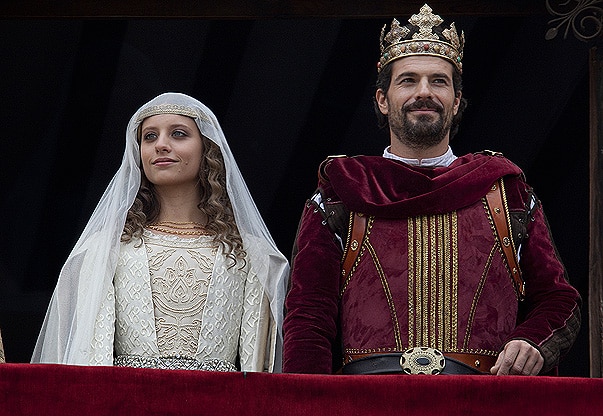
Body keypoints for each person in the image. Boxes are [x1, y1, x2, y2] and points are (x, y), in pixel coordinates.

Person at [282, 4, 581, 376]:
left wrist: (532, 340)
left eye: (439, 81)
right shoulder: (339, 194)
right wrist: (309, 403)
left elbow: (558, 299)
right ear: (382, 99)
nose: (424, 92)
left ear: (456, 102)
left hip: (482, 402)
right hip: (369, 402)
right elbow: (308, 317)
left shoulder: (508, 193)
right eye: (408, 80)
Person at [32, 92, 289, 372]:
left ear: (208, 149)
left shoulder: (249, 253)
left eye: (178, 134)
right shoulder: (106, 249)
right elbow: (89, 359)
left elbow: (258, 368)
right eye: (150, 137)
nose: (161, 145)